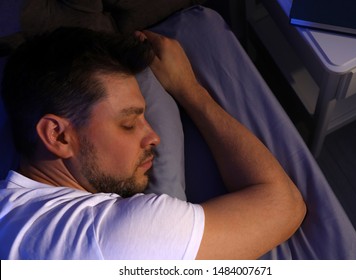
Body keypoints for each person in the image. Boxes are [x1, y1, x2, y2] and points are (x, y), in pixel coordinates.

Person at [0, 27, 306, 259]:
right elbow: (285, 207)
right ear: (58, 135)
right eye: (129, 123)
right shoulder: (120, 235)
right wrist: (191, 91)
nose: (153, 136)